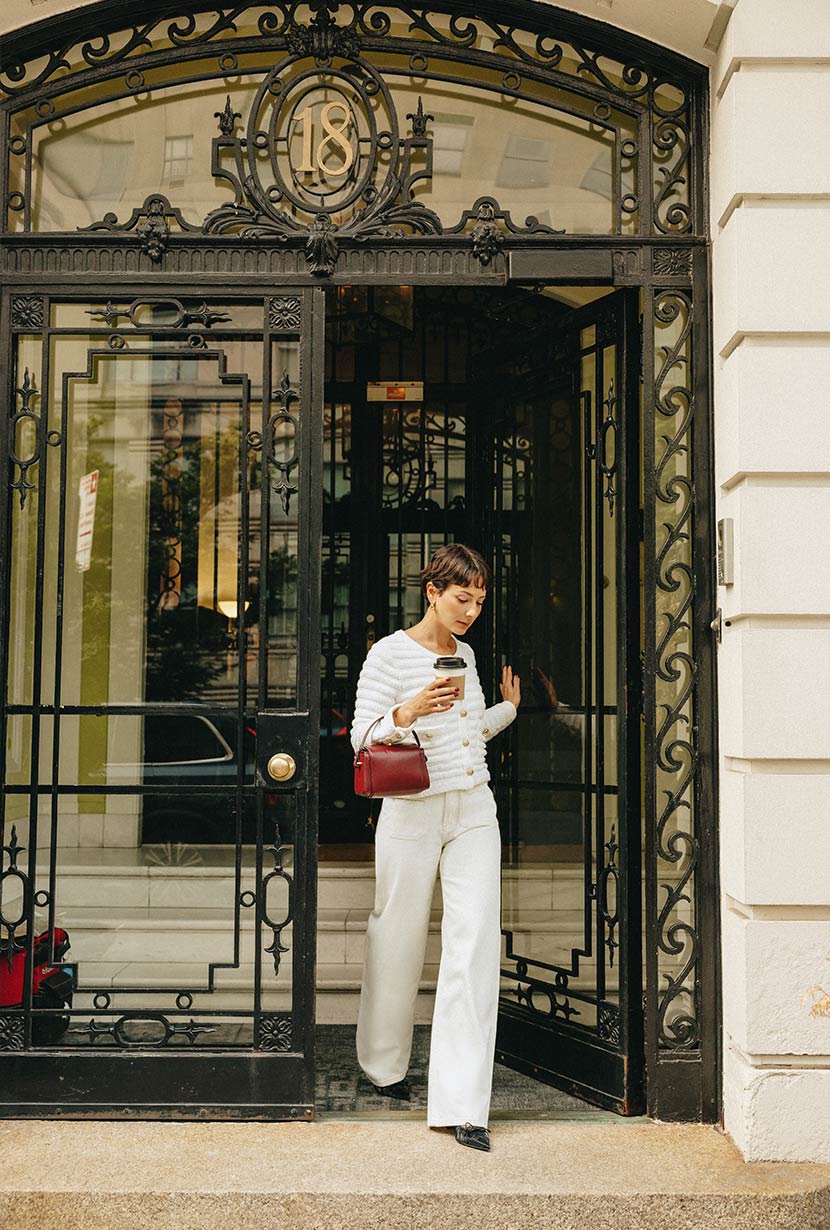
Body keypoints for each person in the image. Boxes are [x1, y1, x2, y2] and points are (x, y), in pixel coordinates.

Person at [350, 543, 521, 1152]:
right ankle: (383, 1065)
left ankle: (463, 1104)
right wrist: (409, 709)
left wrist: (509, 710)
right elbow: (362, 737)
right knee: (395, 933)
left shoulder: (468, 654)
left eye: (478, 600)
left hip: (473, 807)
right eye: (460, 598)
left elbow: (467, 731)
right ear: (432, 592)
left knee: (473, 942)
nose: (470, 611)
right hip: (411, 808)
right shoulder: (389, 653)